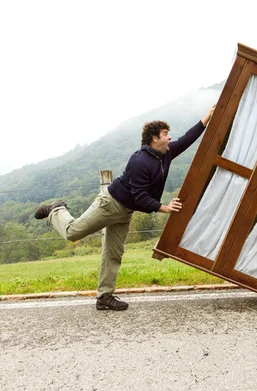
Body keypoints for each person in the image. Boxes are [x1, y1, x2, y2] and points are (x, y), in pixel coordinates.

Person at [34, 105, 216, 310]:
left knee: (113, 252)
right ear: (154, 138)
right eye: (166, 134)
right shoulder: (139, 161)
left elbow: (186, 139)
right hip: (110, 205)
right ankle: (56, 209)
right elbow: (140, 196)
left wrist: (206, 119)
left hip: (125, 212)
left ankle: (104, 297)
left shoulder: (165, 153)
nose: (170, 138)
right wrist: (163, 207)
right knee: (73, 232)